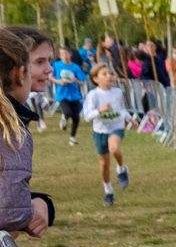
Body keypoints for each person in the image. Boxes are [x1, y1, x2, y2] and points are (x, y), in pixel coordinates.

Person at [0, 29, 51, 247]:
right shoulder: (9, 129)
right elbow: (8, 207)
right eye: (39, 63)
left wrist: (40, 202)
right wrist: (29, 210)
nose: (47, 69)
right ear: (20, 72)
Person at [83, 62, 132, 205]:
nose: (109, 76)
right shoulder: (93, 95)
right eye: (104, 74)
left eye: (110, 73)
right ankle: (108, 190)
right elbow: (87, 117)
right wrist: (100, 110)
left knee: (114, 148)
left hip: (116, 127)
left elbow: (122, 109)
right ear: (96, 79)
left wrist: (128, 118)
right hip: (100, 131)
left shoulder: (117, 92)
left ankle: (121, 169)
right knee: (104, 164)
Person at [52, 49, 85, 144]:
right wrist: (59, 82)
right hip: (62, 94)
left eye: (66, 53)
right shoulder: (56, 65)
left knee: (76, 118)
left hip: (74, 95)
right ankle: (63, 119)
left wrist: (75, 80)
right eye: (62, 54)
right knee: (67, 112)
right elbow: (50, 77)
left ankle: (72, 138)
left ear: (70, 54)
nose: (64, 55)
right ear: (59, 55)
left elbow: (82, 82)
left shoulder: (76, 67)